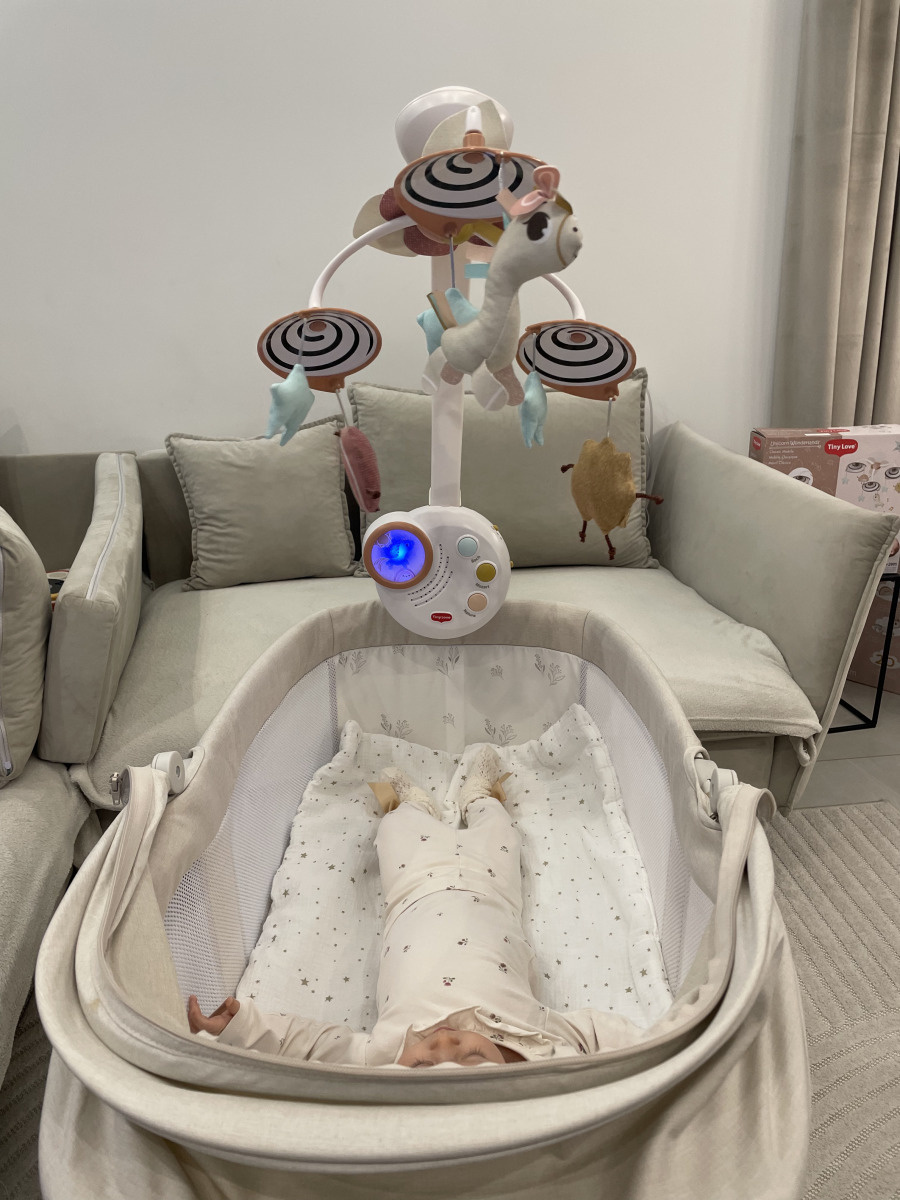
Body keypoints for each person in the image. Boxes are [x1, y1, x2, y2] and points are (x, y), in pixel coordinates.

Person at [188, 747, 642, 1068]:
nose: (443, 1044)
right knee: (501, 832)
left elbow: (313, 1048)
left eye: (423, 1065)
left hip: (414, 890)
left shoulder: (382, 1052)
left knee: (395, 833)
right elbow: (599, 1034)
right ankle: (481, 797)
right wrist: (660, 1051)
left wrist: (243, 1027)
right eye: (471, 1055)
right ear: (506, 1066)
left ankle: (409, 804)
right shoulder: (538, 1041)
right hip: (493, 890)